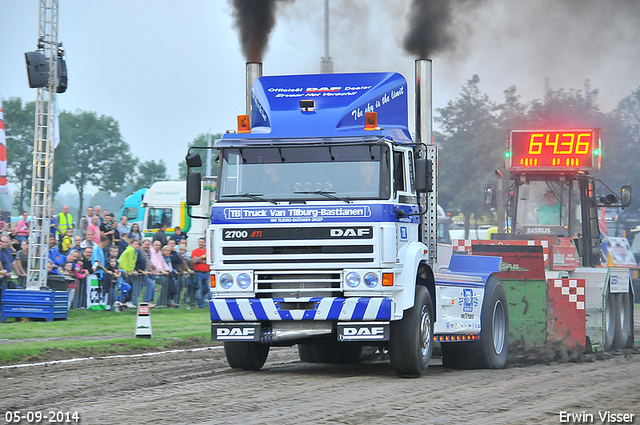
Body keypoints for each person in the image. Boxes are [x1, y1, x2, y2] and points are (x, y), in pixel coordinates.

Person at [190, 237, 210, 309]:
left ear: (205, 243)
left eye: (202, 242)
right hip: (198, 273)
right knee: (199, 289)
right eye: (200, 242)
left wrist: (198, 259)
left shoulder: (209, 251)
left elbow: (209, 261)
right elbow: (194, 261)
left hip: (207, 272)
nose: (201, 243)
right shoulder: (194, 251)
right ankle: (200, 305)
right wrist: (203, 257)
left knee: (209, 289)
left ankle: (212, 305)